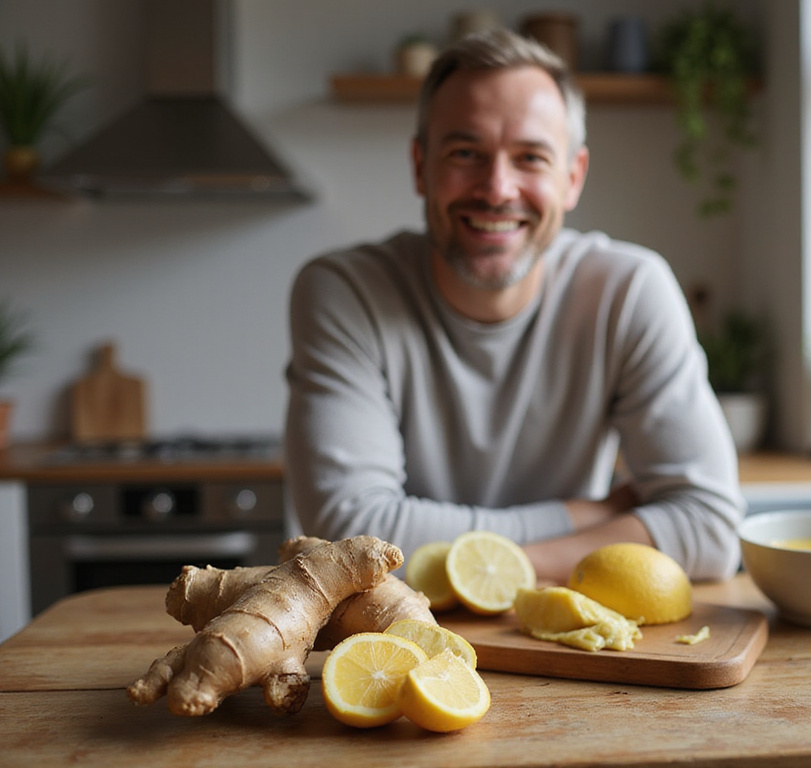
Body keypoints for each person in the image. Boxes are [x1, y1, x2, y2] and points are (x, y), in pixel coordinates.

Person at [285, 28, 745, 584]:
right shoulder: (345, 293)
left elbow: (710, 531)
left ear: (572, 177)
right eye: (465, 153)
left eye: (530, 157)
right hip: (398, 631)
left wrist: (500, 569)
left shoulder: (627, 292)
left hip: (569, 632)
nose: (498, 188)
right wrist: (585, 517)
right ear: (420, 166)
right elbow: (349, 537)